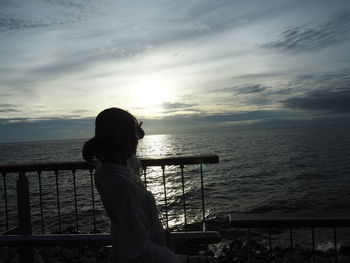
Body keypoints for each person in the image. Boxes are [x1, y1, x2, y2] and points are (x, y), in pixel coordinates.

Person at [82, 107, 179, 263]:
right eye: (133, 134)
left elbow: (130, 165)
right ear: (127, 139)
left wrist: (135, 136)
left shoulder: (104, 169)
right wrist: (181, 259)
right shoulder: (123, 187)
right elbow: (141, 252)